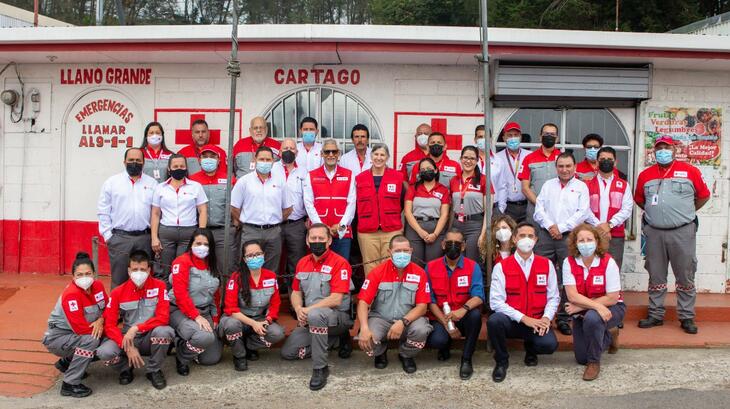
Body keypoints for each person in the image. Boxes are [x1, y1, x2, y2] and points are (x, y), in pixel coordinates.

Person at [634, 135, 710, 334]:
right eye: (659, 148)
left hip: (682, 231)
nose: (662, 151)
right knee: (656, 274)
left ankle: (686, 317)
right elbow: (640, 200)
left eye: (666, 147)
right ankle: (655, 315)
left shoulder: (690, 171)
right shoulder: (645, 175)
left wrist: (684, 213)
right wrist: (657, 215)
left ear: (675, 149)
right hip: (654, 233)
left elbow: (703, 196)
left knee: (685, 274)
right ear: (654, 151)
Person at [281, 224, 354, 391]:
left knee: (315, 316)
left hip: (337, 318)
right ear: (307, 240)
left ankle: (320, 368)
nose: (317, 241)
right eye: (313, 238)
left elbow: (336, 299)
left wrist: (308, 310)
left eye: (321, 238)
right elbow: (295, 292)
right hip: (312, 319)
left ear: (329, 241)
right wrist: (299, 308)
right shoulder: (302, 263)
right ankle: (335, 340)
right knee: (289, 352)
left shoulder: (339, 263)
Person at [487, 222, 559, 383]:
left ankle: (531, 349)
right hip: (513, 322)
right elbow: (495, 302)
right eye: (522, 236)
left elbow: (553, 297)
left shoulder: (546, 264)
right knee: (494, 321)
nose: (526, 239)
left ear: (536, 240)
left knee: (549, 345)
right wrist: (524, 318)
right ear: (514, 239)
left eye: (530, 236)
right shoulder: (502, 266)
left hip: (537, 321)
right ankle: (501, 361)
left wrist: (546, 318)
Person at [96, 250, 174, 390]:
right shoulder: (118, 292)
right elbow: (109, 325)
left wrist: (137, 328)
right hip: (127, 338)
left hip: (149, 335)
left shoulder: (160, 286)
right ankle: (125, 368)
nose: (139, 273)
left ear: (149, 270)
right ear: (128, 271)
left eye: (143, 269)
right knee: (104, 353)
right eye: (135, 269)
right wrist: (127, 345)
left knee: (165, 331)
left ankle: (154, 370)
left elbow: (163, 317)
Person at [357, 235, 432, 374]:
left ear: (411, 251)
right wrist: (364, 327)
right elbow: (363, 302)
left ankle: (406, 355)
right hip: (381, 318)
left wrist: (403, 322)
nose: (402, 254)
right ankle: (380, 351)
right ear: (389, 252)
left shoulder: (420, 273)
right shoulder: (377, 272)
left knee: (422, 330)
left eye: (405, 251)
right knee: (367, 340)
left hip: (408, 320)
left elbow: (422, 307)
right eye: (398, 251)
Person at [533, 152, 590, 335]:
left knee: (568, 278)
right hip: (545, 236)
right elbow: (538, 209)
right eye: (561, 166)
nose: (564, 170)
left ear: (575, 167)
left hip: (569, 237)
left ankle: (564, 318)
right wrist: (551, 226)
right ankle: (541, 314)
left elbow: (583, 213)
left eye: (568, 166)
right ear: (556, 167)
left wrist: (562, 227)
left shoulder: (581, 187)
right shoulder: (548, 185)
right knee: (541, 275)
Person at [563, 224, 624, 381]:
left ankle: (594, 363)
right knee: (581, 357)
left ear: (597, 241)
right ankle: (610, 334)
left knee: (592, 317)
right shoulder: (568, 262)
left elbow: (612, 297)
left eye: (589, 239)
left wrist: (580, 306)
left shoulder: (608, 262)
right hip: (586, 309)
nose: (585, 243)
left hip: (612, 307)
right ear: (575, 243)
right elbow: (572, 296)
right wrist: (594, 305)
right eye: (581, 240)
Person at [42, 252, 107, 398]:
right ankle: (70, 384)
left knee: (100, 338)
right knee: (93, 340)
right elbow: (81, 329)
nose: (84, 278)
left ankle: (67, 363)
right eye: (80, 275)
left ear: (94, 274)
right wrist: (103, 329)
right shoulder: (71, 294)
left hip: (76, 335)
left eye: (88, 273)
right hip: (58, 337)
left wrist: (101, 320)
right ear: (73, 277)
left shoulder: (98, 286)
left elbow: (108, 308)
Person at [425, 230, 484, 380]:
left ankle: (466, 359)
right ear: (443, 245)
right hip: (441, 317)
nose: (453, 247)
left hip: (462, 315)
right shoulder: (431, 267)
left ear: (463, 246)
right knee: (437, 340)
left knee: (475, 316)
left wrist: (462, 310)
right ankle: (445, 346)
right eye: (449, 243)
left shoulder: (472, 266)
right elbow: (430, 300)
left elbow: (478, 296)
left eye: (457, 244)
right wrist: (446, 323)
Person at [219, 240, 285, 371]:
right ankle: (239, 356)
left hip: (260, 319)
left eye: (258, 254)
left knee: (277, 333)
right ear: (244, 259)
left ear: (264, 255)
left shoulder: (271, 277)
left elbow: (275, 304)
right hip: (238, 319)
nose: (255, 257)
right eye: (250, 255)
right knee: (231, 325)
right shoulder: (236, 277)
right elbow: (231, 309)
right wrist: (253, 324)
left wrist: (268, 320)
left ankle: (249, 346)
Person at [98, 148, 157, 288]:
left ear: (143, 162)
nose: (134, 163)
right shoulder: (112, 183)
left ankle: (142, 309)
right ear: (124, 162)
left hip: (145, 239)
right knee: (119, 280)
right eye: (131, 160)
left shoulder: (153, 184)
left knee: (144, 280)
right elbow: (103, 210)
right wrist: (108, 236)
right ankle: (118, 310)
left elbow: (157, 212)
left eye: (138, 160)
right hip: (120, 239)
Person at [168, 229, 223, 376]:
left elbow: (215, 295)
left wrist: (215, 317)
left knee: (211, 359)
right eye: (198, 243)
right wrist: (196, 316)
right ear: (191, 244)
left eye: (206, 244)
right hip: (180, 311)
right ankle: (182, 355)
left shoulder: (212, 265)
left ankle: (189, 342)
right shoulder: (182, 261)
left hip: (205, 311)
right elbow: (180, 294)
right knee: (204, 337)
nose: (202, 247)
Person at [231, 146, 293, 274]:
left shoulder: (280, 181)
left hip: (274, 232)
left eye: (268, 159)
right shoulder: (244, 181)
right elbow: (234, 207)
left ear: (273, 161)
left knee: (271, 270)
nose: (264, 162)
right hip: (250, 231)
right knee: (247, 268)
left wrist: (276, 220)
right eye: (262, 159)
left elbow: (288, 208)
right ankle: (246, 294)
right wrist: (245, 221)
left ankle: (268, 293)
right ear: (255, 159)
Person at [151, 153, 208, 281]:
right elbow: (155, 213)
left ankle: (179, 299)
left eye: (182, 166)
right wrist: (154, 237)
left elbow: (202, 210)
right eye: (175, 166)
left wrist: (201, 234)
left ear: (186, 168)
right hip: (166, 232)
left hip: (188, 233)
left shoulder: (195, 187)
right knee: (165, 269)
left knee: (183, 268)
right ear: (169, 169)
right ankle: (166, 298)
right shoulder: (160, 188)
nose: (179, 168)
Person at [303, 139, 356, 260]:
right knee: (318, 267)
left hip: (342, 232)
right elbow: (308, 203)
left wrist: (341, 225)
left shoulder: (349, 175)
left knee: (341, 266)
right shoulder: (311, 175)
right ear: (322, 154)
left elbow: (352, 203)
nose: (331, 155)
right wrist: (321, 226)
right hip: (318, 234)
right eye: (327, 152)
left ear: (339, 154)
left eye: (334, 151)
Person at [189, 145, 239, 275]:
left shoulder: (230, 179)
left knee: (227, 268)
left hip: (224, 232)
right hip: (201, 231)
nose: (208, 159)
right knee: (201, 269)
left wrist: (235, 223)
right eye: (205, 156)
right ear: (199, 160)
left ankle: (227, 294)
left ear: (219, 160)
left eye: (212, 156)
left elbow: (235, 203)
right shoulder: (192, 180)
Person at [355, 143, 404, 274]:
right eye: (376, 154)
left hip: (391, 230)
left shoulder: (398, 177)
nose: (379, 158)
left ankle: (388, 294)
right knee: (370, 268)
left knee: (390, 266)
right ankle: (372, 294)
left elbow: (403, 201)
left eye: (382, 155)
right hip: (367, 232)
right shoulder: (360, 178)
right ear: (371, 156)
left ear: (387, 157)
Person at [584, 147, 633, 269]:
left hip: (615, 235)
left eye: (609, 159)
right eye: (602, 159)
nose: (606, 161)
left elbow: (627, 209)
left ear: (615, 162)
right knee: (591, 268)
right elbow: (584, 209)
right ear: (596, 162)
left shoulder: (623, 185)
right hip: (591, 234)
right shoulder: (586, 184)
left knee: (613, 269)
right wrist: (600, 227)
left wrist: (610, 225)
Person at [273, 138, 309, 291]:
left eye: (292, 148)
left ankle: (296, 301)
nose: (288, 151)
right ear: (280, 152)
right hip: (273, 224)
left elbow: (308, 197)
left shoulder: (304, 171)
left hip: (296, 224)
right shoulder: (272, 168)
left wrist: (308, 218)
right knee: (272, 263)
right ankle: (269, 300)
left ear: (297, 152)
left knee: (297, 264)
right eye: (285, 148)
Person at [404, 158, 451, 267]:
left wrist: (435, 234)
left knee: (433, 265)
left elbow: (445, 214)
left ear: (435, 170)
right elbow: (407, 212)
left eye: (429, 168)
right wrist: (419, 231)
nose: (426, 171)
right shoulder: (413, 188)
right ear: (419, 173)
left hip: (436, 229)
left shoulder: (443, 189)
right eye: (423, 169)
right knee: (415, 264)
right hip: (415, 228)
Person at [451, 146, 491, 263]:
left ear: (477, 160)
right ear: (461, 159)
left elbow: (488, 210)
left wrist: (484, 233)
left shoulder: (483, 180)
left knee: (471, 260)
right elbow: (451, 207)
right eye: (465, 157)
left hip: (475, 226)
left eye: (472, 158)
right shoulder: (454, 180)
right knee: (455, 259)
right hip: (457, 224)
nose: (468, 161)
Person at [517, 123, 561, 224]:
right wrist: (540, 205)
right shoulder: (529, 158)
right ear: (540, 137)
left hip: (558, 210)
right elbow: (525, 188)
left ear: (557, 138)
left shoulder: (563, 158)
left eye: (552, 134)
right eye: (546, 134)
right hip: (535, 209)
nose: (549, 137)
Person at [495, 122, 531, 223]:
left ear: (520, 137)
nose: (513, 138)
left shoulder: (529, 156)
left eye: (516, 135)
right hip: (507, 206)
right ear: (504, 138)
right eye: (510, 135)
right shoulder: (497, 158)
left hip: (527, 205)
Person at [474, 125, 507, 217]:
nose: (483, 140)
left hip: (494, 208)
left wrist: (501, 209)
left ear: (491, 139)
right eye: (480, 137)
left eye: (486, 137)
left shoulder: (499, 161)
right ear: (475, 139)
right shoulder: (469, 160)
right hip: (475, 209)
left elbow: (502, 187)